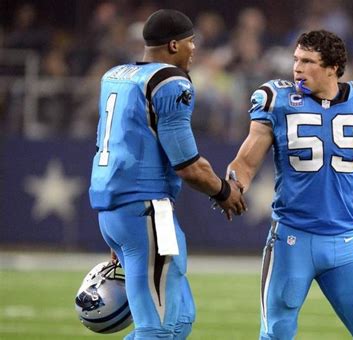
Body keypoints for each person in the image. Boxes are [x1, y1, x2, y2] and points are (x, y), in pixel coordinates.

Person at [227, 30, 353, 339]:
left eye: (307, 61)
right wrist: (232, 186)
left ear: (332, 67)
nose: (297, 68)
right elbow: (246, 161)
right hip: (292, 239)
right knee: (276, 333)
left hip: (343, 241)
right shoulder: (278, 100)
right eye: (296, 60)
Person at [89, 9, 246, 339]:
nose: (194, 50)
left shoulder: (116, 75)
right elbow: (188, 165)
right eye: (191, 43)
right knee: (158, 328)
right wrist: (223, 191)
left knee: (179, 320)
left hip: (118, 209)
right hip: (145, 209)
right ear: (174, 45)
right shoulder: (169, 81)